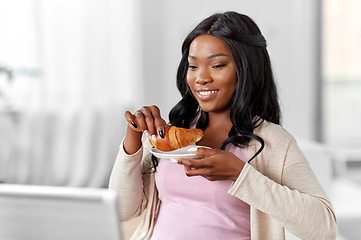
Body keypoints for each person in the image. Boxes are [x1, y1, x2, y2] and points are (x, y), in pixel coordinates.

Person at [109, 11, 337, 240]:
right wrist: (133, 140)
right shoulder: (169, 136)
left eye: (217, 65)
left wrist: (239, 173)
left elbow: (324, 229)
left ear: (246, 69)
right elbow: (121, 210)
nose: (201, 78)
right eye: (193, 66)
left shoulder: (274, 142)